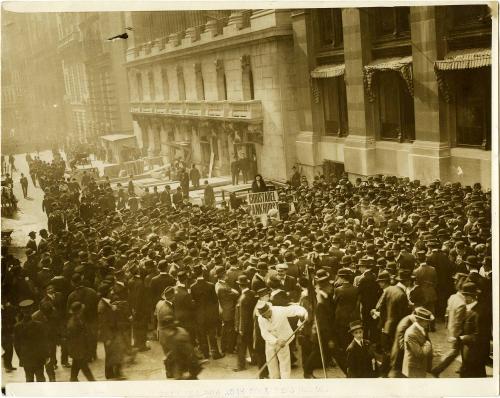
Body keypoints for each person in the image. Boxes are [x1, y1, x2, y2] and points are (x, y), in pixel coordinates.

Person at [256, 301, 308, 379]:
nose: (264, 317)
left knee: (284, 363)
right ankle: (275, 380)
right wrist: (276, 341)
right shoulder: (261, 318)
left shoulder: (279, 311)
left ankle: (285, 381)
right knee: (271, 363)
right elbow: (264, 333)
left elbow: (294, 309)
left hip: (284, 339)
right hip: (270, 341)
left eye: (265, 315)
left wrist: (305, 313)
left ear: (269, 310)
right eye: (262, 315)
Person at [457, 282, 489, 377]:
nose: (462, 298)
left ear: (470, 297)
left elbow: (480, 336)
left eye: (464, 295)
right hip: (468, 353)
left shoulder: (479, 313)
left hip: (475, 355)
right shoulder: (469, 309)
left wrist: (463, 337)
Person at [13, 300, 49, 382]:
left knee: (29, 379)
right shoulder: (39, 325)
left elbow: (16, 345)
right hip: (38, 357)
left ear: (22, 311)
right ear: (32, 310)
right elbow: (43, 342)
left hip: (26, 357)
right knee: (40, 378)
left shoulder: (17, 326)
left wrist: (21, 356)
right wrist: (46, 355)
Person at [66, 301, 95, 381]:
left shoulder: (77, 319)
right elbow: (75, 338)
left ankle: (73, 379)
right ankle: (93, 383)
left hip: (78, 348)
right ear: (78, 310)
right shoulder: (73, 322)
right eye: (81, 309)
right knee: (85, 368)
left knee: (75, 365)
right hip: (77, 349)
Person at [402, 307, 434, 378]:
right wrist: (428, 344)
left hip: (420, 366)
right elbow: (420, 353)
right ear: (420, 320)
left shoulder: (422, 328)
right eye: (427, 321)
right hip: (413, 368)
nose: (428, 323)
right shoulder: (411, 333)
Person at [233, 275, 257, 371]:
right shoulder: (252, 293)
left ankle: (240, 365)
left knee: (241, 346)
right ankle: (254, 360)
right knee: (251, 343)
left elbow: (242, 315)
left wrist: (240, 329)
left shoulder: (242, 298)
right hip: (252, 324)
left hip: (244, 326)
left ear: (240, 286)